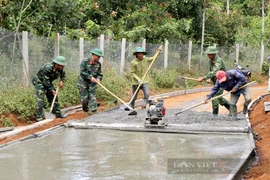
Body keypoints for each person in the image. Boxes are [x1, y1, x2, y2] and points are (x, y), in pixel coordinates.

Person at [32, 56, 67, 121]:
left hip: (48, 83)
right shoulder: (48, 68)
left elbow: (63, 75)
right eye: (62, 65)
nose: (63, 67)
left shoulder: (60, 69)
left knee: (54, 97)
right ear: (57, 64)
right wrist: (52, 90)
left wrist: (62, 81)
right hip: (39, 82)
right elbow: (46, 81)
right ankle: (39, 118)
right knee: (40, 100)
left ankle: (57, 114)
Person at [198, 46, 231, 116]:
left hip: (223, 81)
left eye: (210, 54)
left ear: (214, 54)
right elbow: (211, 71)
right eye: (208, 54)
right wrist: (209, 78)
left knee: (215, 95)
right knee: (217, 96)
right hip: (216, 81)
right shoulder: (211, 61)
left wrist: (204, 77)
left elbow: (214, 71)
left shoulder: (218, 61)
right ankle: (231, 108)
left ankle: (215, 114)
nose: (208, 56)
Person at [77, 48, 103, 115]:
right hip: (83, 82)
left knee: (92, 97)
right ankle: (86, 110)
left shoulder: (98, 64)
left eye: (100, 56)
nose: (99, 58)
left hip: (92, 84)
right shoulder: (85, 61)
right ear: (94, 55)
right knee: (85, 99)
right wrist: (90, 77)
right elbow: (82, 72)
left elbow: (100, 74)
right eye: (98, 56)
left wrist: (98, 79)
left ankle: (94, 111)